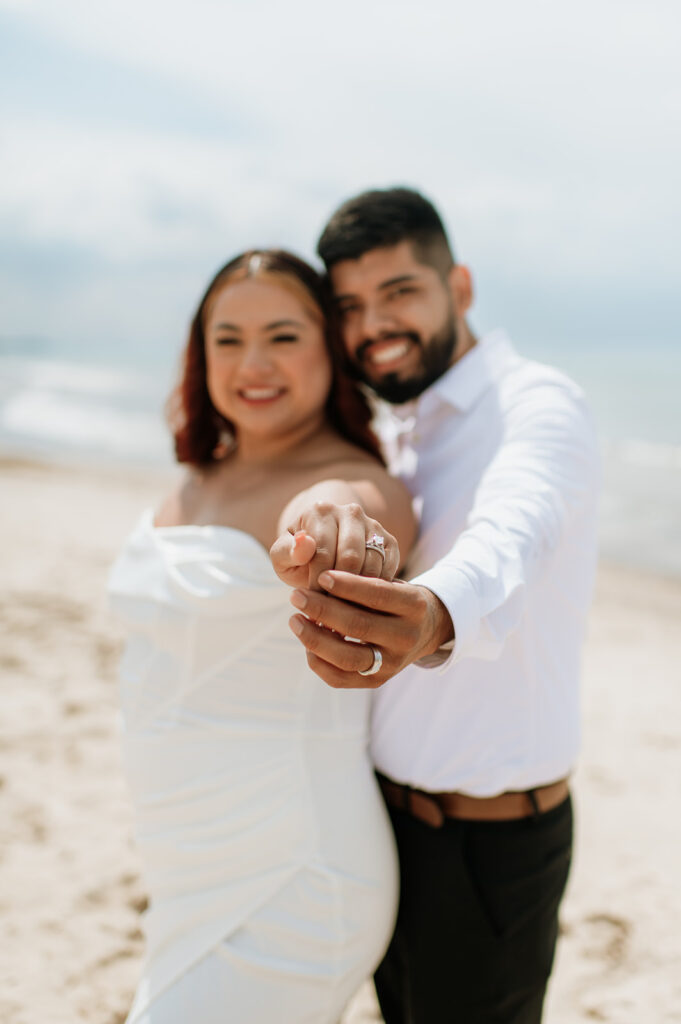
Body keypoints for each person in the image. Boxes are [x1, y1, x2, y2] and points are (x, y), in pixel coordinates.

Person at [277, 188, 601, 1023]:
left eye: (399, 294)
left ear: (458, 288)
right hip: (379, 829)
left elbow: (512, 530)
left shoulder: (537, 403)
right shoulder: (393, 433)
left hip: (489, 845)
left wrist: (433, 613)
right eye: (349, 306)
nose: (373, 325)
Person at [108, 249, 416, 1024]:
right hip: (185, 869)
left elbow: (338, 508)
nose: (253, 363)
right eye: (227, 338)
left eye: (282, 336)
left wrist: (328, 525)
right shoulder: (197, 476)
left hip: (289, 874)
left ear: (330, 352)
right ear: (199, 350)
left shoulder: (354, 477)